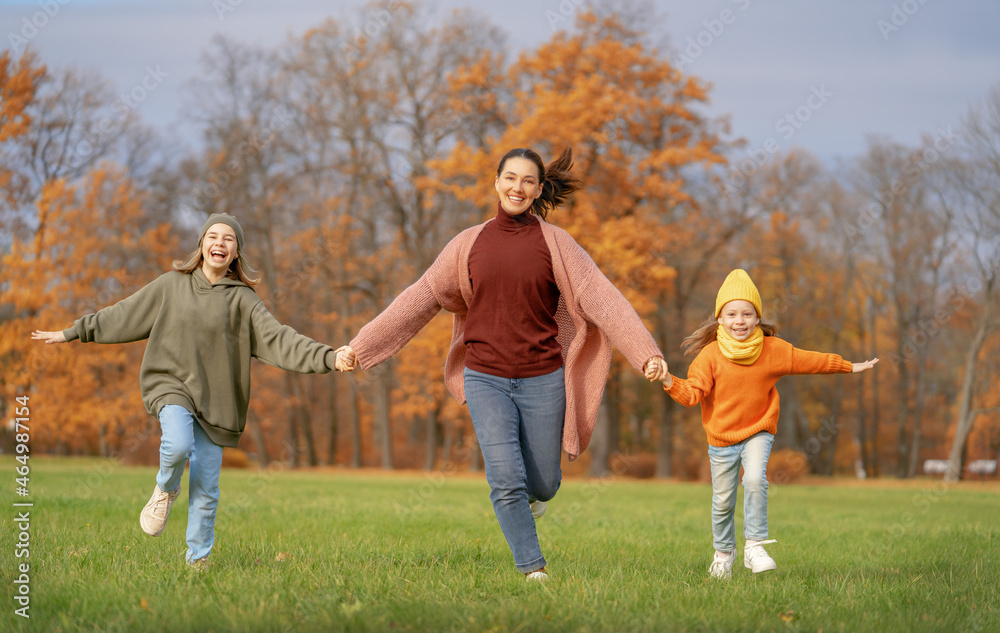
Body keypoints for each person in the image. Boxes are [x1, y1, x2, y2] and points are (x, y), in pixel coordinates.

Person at [334, 148, 669, 580]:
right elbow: (418, 299)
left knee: (545, 482)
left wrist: (647, 353)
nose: (518, 187)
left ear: (538, 189)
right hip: (485, 376)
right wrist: (360, 347)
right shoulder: (468, 244)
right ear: (496, 183)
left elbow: (604, 298)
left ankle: (534, 501)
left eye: (528, 181)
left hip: (542, 377)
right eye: (510, 178)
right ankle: (533, 568)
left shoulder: (558, 245)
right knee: (506, 478)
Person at [32, 213, 338, 568]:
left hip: (217, 403)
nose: (219, 243)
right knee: (178, 444)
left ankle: (198, 560)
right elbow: (124, 314)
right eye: (213, 236)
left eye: (228, 239)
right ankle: (165, 489)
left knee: (207, 487)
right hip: (171, 385)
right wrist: (73, 332)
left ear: (236, 252)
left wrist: (329, 357)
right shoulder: (171, 286)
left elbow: (282, 340)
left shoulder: (244, 302)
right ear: (202, 245)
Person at [646, 269, 878, 580]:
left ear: (757, 318)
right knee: (722, 501)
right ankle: (724, 554)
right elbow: (691, 395)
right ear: (719, 319)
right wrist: (667, 379)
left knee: (755, 480)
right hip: (721, 437)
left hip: (759, 429)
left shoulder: (773, 350)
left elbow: (812, 361)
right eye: (731, 314)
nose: (739, 320)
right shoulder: (709, 356)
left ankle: (754, 546)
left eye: (746, 313)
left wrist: (851, 366)